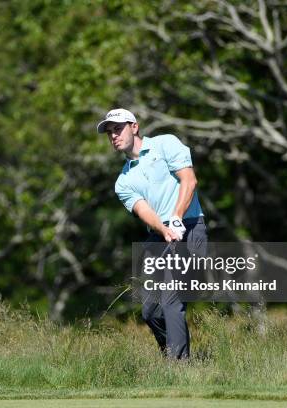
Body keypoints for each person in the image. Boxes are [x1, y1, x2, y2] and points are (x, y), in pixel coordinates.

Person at [97, 108, 207, 360]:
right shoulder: (123, 181)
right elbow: (143, 210)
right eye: (109, 132)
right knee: (151, 311)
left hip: (190, 228)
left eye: (118, 128)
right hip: (161, 236)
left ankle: (179, 368)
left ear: (134, 127)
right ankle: (172, 354)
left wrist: (177, 217)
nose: (113, 135)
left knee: (171, 299)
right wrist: (164, 229)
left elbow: (189, 181)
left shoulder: (165, 144)